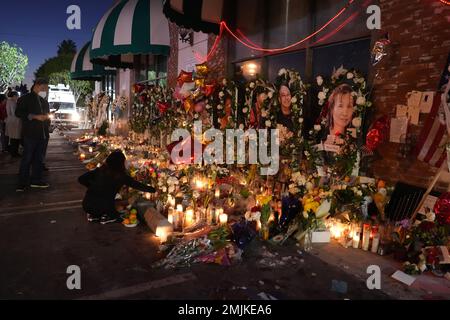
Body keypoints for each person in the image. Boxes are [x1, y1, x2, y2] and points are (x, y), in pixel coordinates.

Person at [78, 150, 156, 224]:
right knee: (119, 216)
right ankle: (107, 217)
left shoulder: (99, 171)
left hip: (86, 205)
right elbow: (138, 185)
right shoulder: (120, 176)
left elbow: (81, 179)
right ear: (120, 164)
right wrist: (154, 190)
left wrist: (92, 187)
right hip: (104, 207)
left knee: (109, 202)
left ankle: (95, 216)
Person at [15, 78, 51, 191]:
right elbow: (18, 113)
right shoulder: (25, 99)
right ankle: (22, 183)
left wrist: (47, 118)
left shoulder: (44, 101)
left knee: (39, 159)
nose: (46, 90)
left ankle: (36, 180)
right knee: (27, 158)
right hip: (30, 134)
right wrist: (35, 116)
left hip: (43, 135)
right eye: (45, 87)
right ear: (37, 85)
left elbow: (47, 116)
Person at [5, 91, 21, 157]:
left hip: (12, 121)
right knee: (14, 138)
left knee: (13, 138)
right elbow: (14, 112)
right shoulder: (12, 102)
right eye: (17, 95)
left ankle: (14, 152)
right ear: (14, 96)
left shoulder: (10, 101)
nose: (18, 97)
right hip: (14, 122)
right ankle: (14, 153)